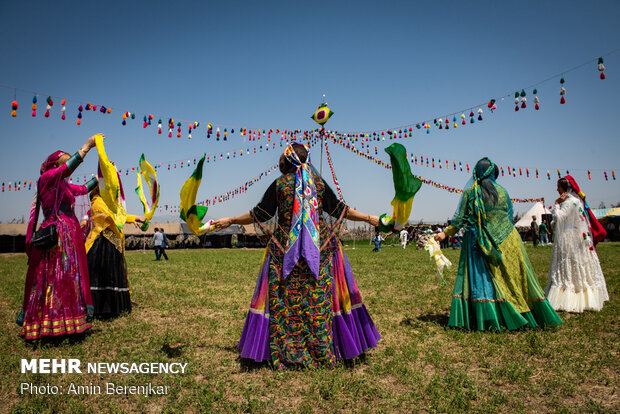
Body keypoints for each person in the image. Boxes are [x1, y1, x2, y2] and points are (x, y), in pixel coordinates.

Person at [214, 142, 381, 369]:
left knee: (284, 300)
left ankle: (286, 352)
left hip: (285, 252)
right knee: (318, 300)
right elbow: (341, 210)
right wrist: (371, 218)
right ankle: (322, 350)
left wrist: (231, 220)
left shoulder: (280, 184)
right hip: (320, 252)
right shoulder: (318, 185)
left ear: (286, 161)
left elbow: (259, 214)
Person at [434, 157, 562, 331]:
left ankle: (489, 317)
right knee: (511, 279)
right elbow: (509, 214)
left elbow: (460, 219)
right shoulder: (503, 191)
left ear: (476, 173)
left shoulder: (472, 192)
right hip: (509, 239)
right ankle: (521, 313)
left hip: (481, 242)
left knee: (485, 280)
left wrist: (444, 234)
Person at [17, 134, 101, 340]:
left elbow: (83, 189)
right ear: (54, 166)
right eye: (62, 162)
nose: (65, 168)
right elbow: (68, 168)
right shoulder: (46, 180)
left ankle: (70, 322)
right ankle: (48, 321)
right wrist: (87, 147)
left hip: (69, 237)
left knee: (69, 277)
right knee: (53, 277)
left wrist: (104, 175)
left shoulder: (63, 184)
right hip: (56, 236)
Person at [545, 175, 609, 312]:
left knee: (567, 264)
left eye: (558, 187)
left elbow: (559, 217)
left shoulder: (569, 202)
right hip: (577, 236)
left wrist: (556, 204)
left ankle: (569, 295)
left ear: (564, 188)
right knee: (578, 264)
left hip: (568, 237)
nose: (557, 190)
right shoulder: (577, 201)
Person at [84, 186, 145, 318]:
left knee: (113, 274)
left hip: (112, 244)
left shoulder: (109, 203)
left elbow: (117, 215)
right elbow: (112, 217)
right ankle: (100, 307)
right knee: (101, 275)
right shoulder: (97, 201)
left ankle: (114, 305)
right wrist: (133, 217)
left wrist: (134, 218)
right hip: (100, 245)